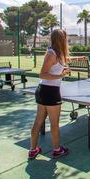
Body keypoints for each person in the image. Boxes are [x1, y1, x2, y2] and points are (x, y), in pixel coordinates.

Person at [28, 29, 71, 160]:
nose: (66, 40)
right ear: (61, 39)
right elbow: (42, 74)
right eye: (65, 38)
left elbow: (60, 62)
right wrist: (61, 75)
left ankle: (33, 150)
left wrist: (79, 58)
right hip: (49, 92)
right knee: (53, 123)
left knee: (39, 122)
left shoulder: (57, 54)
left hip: (45, 91)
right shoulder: (51, 54)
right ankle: (57, 150)